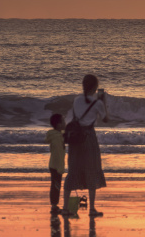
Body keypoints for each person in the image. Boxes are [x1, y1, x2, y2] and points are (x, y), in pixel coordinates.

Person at [62, 74, 108, 218]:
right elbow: (105, 119)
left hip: (76, 138)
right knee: (91, 169)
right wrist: (103, 102)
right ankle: (92, 209)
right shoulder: (97, 103)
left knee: (73, 169)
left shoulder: (77, 100)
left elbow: (76, 116)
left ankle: (65, 207)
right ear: (95, 87)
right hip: (89, 138)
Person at [46, 113, 66, 214]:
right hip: (56, 166)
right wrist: (60, 167)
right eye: (63, 121)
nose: (65, 123)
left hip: (53, 164)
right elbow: (58, 153)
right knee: (56, 186)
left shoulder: (56, 135)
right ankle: (54, 206)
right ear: (59, 125)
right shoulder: (58, 137)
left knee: (55, 185)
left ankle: (54, 205)